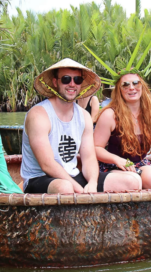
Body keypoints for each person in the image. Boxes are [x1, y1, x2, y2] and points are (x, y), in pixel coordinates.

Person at [21, 58, 140, 194]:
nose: (72, 84)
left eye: (77, 80)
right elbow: (47, 164)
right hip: (40, 178)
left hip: (72, 176)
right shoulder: (39, 115)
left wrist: (92, 183)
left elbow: (89, 158)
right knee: (65, 188)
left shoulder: (83, 116)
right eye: (66, 79)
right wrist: (80, 190)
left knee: (132, 181)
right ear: (55, 82)